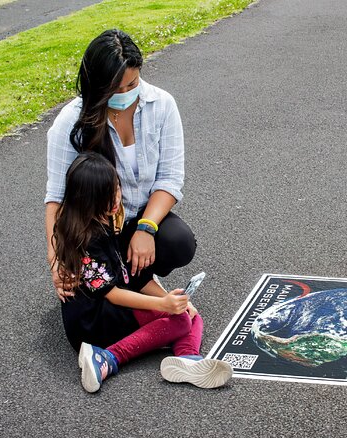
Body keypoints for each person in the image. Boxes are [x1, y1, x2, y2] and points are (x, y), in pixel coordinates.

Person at [53, 152, 232, 392]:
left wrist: (168, 299)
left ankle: (188, 360)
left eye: (115, 189)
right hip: (94, 324)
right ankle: (108, 358)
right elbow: (113, 294)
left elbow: (136, 277)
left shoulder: (108, 223)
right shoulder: (86, 240)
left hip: (114, 311)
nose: (115, 200)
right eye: (105, 197)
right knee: (178, 320)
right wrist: (163, 306)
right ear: (86, 200)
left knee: (190, 314)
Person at [45, 29, 195, 306]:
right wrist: (57, 262)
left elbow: (170, 180)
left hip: (140, 217)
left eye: (132, 84)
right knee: (94, 308)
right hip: (95, 232)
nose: (125, 94)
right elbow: (57, 198)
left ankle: (138, 276)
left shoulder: (162, 105)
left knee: (179, 242)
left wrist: (146, 228)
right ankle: (128, 280)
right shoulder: (69, 123)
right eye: (115, 89)